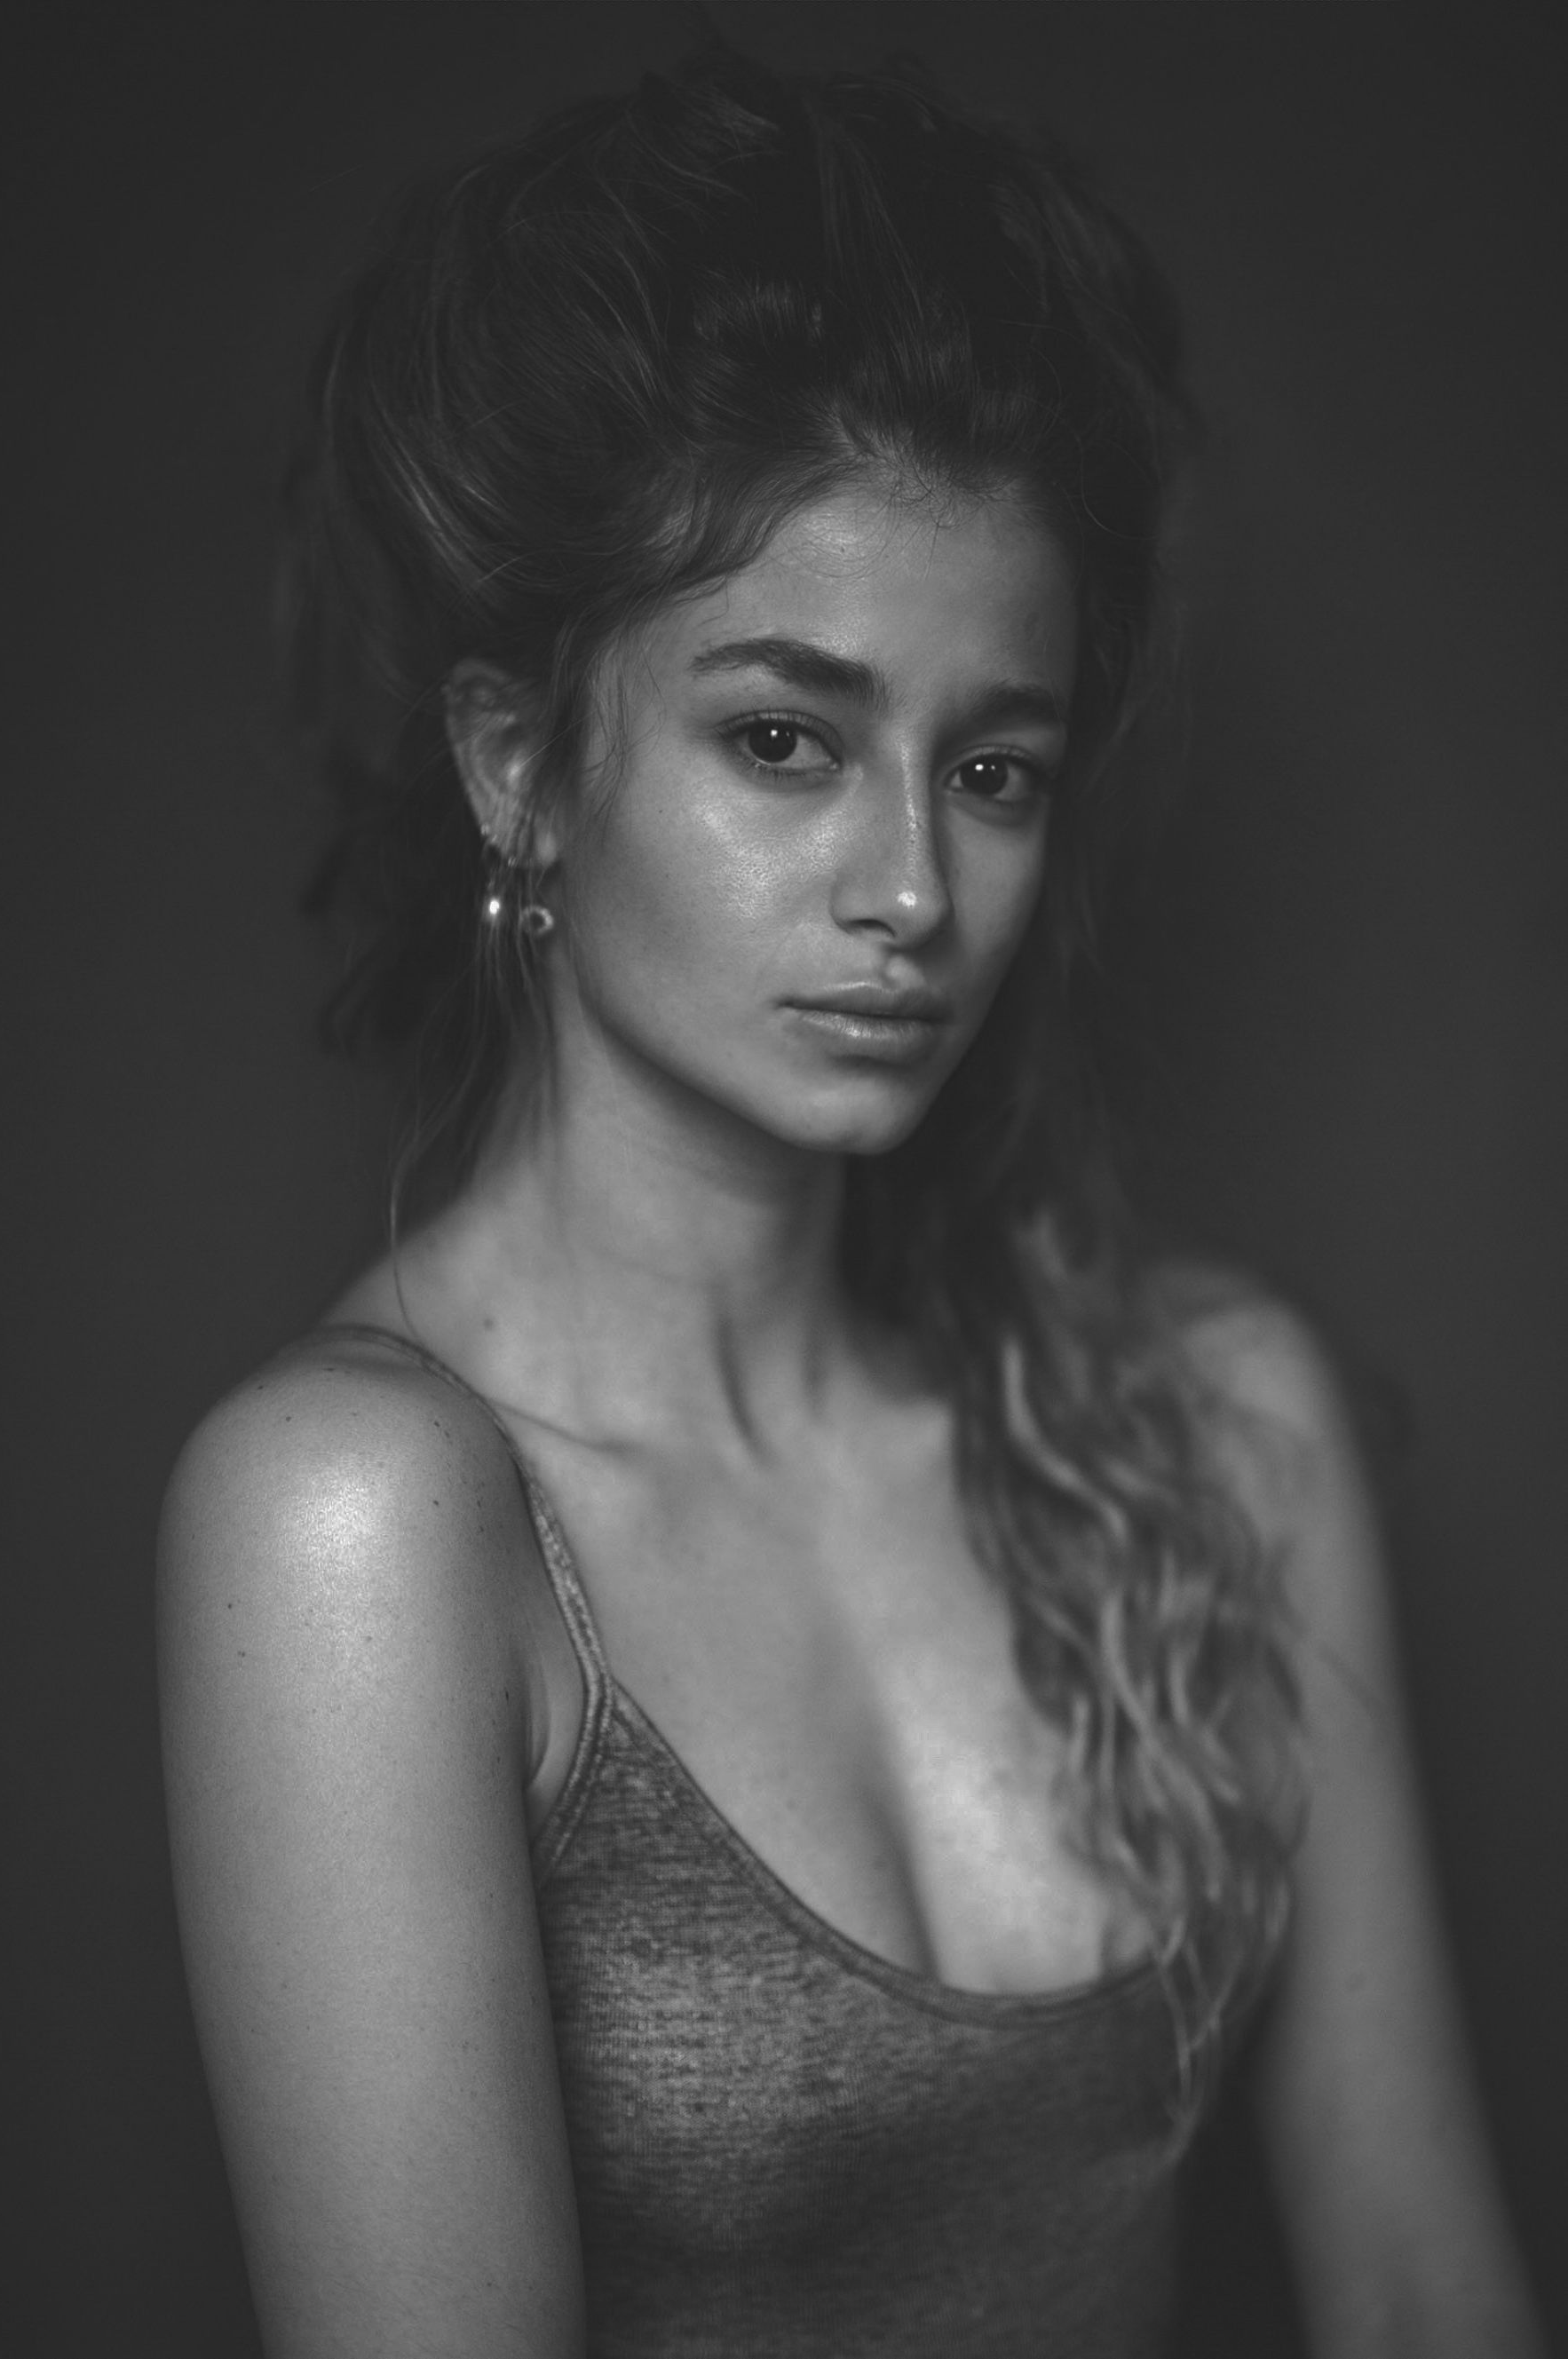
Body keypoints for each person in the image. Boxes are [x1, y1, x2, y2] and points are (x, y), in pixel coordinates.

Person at [155, 46, 1543, 2359]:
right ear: (520, 763)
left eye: (989, 768)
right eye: (783, 737)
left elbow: (1415, 2287)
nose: (912, 886)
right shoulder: (368, 1522)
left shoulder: (1218, 1432)